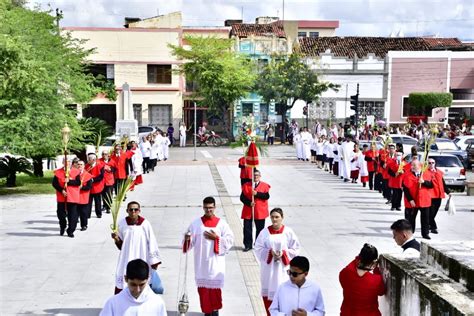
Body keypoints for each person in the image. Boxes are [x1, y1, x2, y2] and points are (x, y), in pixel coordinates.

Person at [183, 196, 234, 316]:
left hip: (216, 262)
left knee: (215, 289)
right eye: (206, 208)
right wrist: (187, 239)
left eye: (211, 208)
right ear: (203, 207)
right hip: (201, 263)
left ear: (215, 207)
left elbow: (230, 240)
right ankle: (207, 311)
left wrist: (217, 238)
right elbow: (189, 241)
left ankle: (215, 310)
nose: (208, 210)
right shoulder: (196, 223)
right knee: (204, 290)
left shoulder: (222, 224)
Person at [255, 208, 301, 315]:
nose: (274, 219)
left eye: (277, 217)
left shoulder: (288, 232)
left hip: (283, 270)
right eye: (272, 217)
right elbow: (257, 248)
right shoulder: (264, 232)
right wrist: (270, 253)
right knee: (269, 300)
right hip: (269, 271)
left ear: (282, 218)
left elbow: (296, 249)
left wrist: (283, 254)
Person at [111, 201, 162, 294]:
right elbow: (121, 246)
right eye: (131, 209)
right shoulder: (122, 224)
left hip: (142, 256)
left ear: (139, 211)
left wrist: (154, 261)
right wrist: (116, 239)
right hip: (126, 258)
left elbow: (152, 242)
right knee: (125, 279)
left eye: (136, 209)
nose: (133, 211)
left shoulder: (145, 224)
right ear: (127, 210)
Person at [100, 259, 167, 316]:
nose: (137, 290)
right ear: (126, 279)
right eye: (133, 284)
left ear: (148, 279)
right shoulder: (113, 304)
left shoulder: (158, 303)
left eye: (141, 285)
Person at [339, 243, 385, 316]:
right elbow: (381, 291)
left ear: (359, 257)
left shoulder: (345, 273)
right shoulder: (376, 280)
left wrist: (358, 259)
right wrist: (376, 270)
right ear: (374, 262)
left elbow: (349, 267)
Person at [402, 160, 434, 239]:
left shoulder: (426, 173)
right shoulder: (407, 175)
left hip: (424, 200)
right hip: (413, 200)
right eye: (411, 165)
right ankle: (410, 233)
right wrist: (410, 200)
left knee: (425, 218)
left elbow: (431, 185)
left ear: (419, 166)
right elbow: (405, 189)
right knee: (411, 218)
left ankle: (425, 233)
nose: (412, 167)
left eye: (414, 165)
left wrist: (423, 182)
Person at [240, 169, 271, 252]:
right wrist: (249, 203)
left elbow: (266, 196)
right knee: (247, 228)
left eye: (257, 175)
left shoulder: (264, 185)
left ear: (260, 176)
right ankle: (248, 245)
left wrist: (257, 194)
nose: (256, 177)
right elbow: (242, 198)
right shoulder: (246, 185)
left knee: (260, 229)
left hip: (260, 211)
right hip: (248, 210)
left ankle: (258, 244)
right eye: (254, 175)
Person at [52, 158, 81, 238]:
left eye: (68, 162)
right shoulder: (58, 172)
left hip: (72, 195)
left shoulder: (76, 171)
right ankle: (63, 226)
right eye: (65, 161)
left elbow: (78, 182)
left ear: (71, 163)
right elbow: (54, 183)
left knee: (73, 215)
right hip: (62, 195)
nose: (67, 163)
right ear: (62, 162)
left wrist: (69, 181)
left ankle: (70, 230)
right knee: (60, 214)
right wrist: (61, 190)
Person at [426, 158, 451, 234]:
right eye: (429, 163)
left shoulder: (439, 172)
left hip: (438, 195)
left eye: (432, 163)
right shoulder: (425, 172)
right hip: (430, 195)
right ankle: (433, 227)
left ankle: (429, 224)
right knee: (430, 212)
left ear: (435, 163)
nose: (431, 164)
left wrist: (448, 192)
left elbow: (443, 183)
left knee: (434, 212)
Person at [85, 153, 105, 218]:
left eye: (89, 159)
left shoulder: (100, 166)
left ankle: (99, 214)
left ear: (93, 160)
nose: (88, 160)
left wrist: (93, 180)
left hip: (97, 186)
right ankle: (88, 214)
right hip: (89, 186)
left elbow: (101, 176)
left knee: (98, 201)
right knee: (88, 202)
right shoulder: (86, 166)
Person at [76, 160, 93, 231]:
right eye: (78, 164)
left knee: (83, 212)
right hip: (75, 196)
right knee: (75, 212)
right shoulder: (74, 174)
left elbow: (89, 187)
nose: (79, 166)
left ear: (84, 166)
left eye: (81, 164)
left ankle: (84, 225)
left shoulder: (88, 175)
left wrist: (82, 187)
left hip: (83, 196)